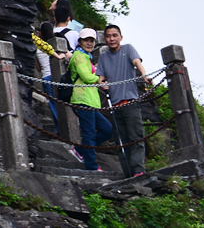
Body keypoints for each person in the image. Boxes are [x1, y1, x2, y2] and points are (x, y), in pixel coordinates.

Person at [97, 24, 151, 177]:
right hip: (115, 106)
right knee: (121, 141)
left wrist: (144, 76)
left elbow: (137, 63)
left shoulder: (128, 49)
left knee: (136, 137)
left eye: (115, 35)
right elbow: (101, 79)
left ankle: (138, 170)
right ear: (105, 39)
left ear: (121, 37)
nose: (112, 39)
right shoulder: (104, 57)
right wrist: (103, 85)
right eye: (108, 36)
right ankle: (128, 173)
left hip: (130, 102)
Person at [68, 28, 113, 172]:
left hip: (91, 100)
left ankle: (80, 150)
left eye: (92, 40)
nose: (89, 43)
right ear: (79, 41)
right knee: (89, 133)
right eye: (86, 40)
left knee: (107, 129)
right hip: (82, 99)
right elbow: (87, 77)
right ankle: (91, 166)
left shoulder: (87, 57)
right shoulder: (79, 57)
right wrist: (101, 79)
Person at [33, 21, 69, 125]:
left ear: (40, 33)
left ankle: (59, 129)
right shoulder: (57, 43)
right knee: (64, 103)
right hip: (60, 77)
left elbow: (38, 68)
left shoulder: (37, 47)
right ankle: (67, 127)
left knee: (53, 105)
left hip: (46, 77)